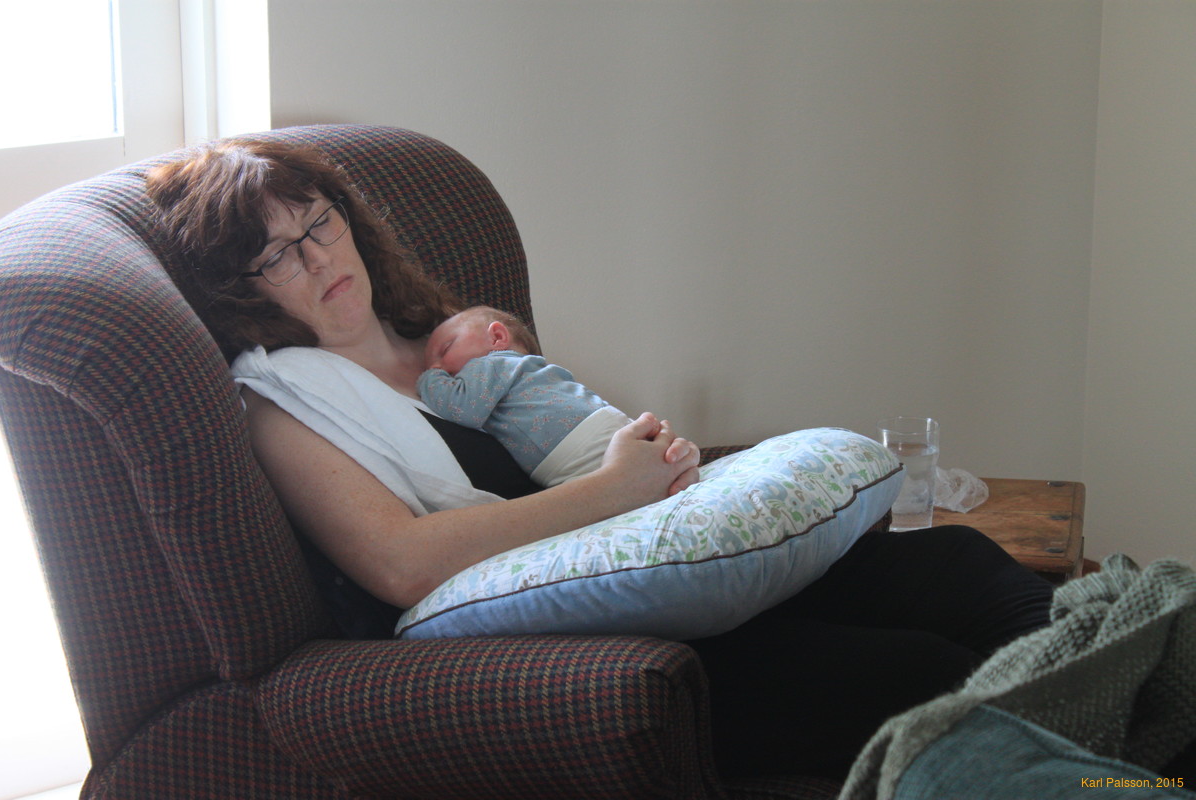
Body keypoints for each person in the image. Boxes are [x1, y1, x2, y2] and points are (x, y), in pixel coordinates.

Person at [146, 137, 1055, 781]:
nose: (316, 259)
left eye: (317, 224)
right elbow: (399, 564)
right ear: (240, 292)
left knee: (958, 565)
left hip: (665, 564)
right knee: (918, 672)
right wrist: (619, 488)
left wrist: (654, 460)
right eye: (276, 256)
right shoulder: (284, 407)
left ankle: (1122, 725)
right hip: (584, 636)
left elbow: (569, 438)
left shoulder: (443, 337)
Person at [418, 305, 633, 487]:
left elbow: (461, 409)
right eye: (431, 366)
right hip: (597, 428)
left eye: (445, 350)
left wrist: (427, 378)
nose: (438, 366)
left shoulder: (491, 364)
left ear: (497, 337)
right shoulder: (525, 372)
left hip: (579, 445)